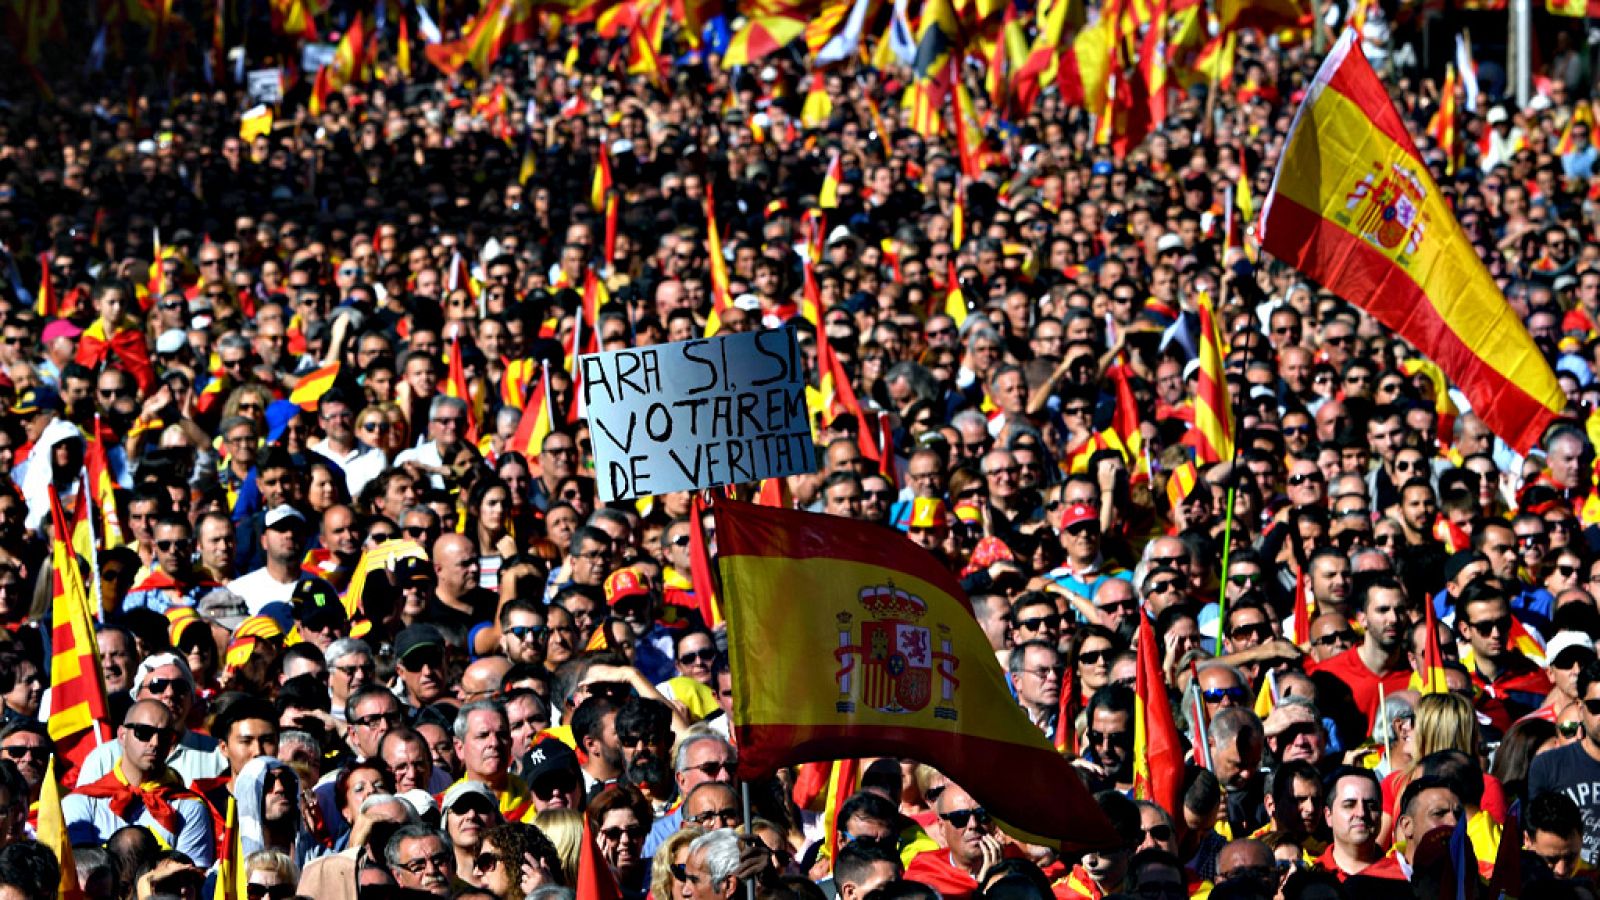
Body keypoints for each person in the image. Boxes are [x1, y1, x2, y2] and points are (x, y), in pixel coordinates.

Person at [64, 700, 217, 866]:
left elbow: (191, 881)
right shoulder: (81, 802)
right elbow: (79, 874)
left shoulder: (189, 808)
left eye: (165, 735)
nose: (155, 743)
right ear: (122, 735)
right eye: (144, 732)